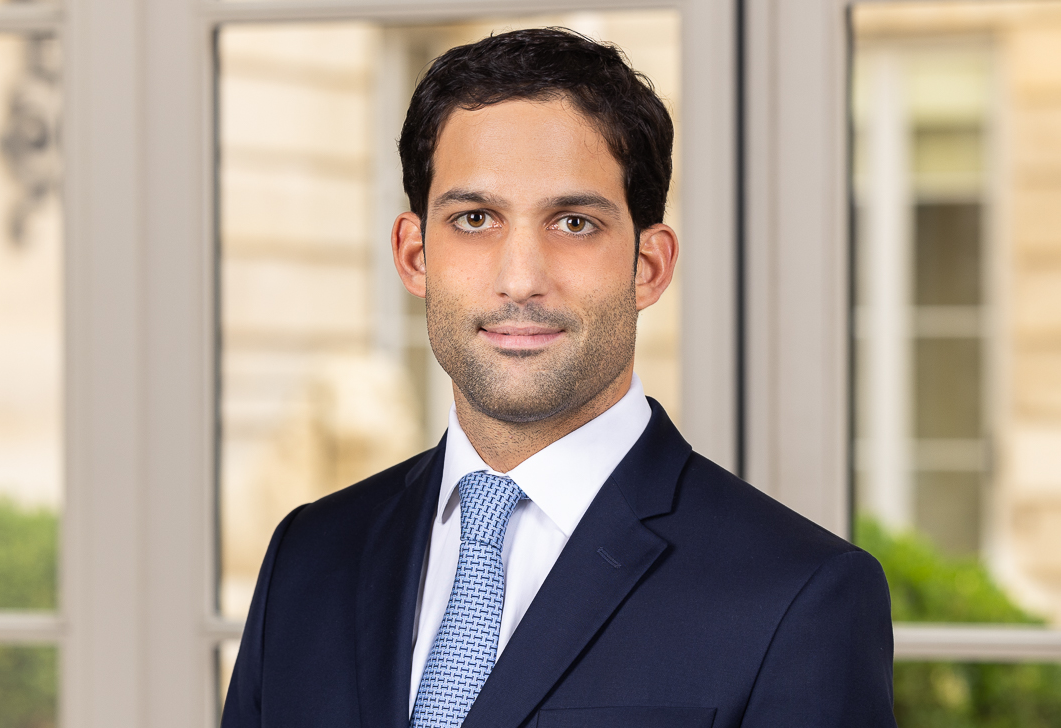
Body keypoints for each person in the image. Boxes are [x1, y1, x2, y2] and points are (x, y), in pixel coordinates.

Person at [222, 27, 896, 728]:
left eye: (573, 223)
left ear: (649, 266)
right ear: (415, 255)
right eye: (475, 218)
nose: (521, 280)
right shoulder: (308, 556)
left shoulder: (798, 596)